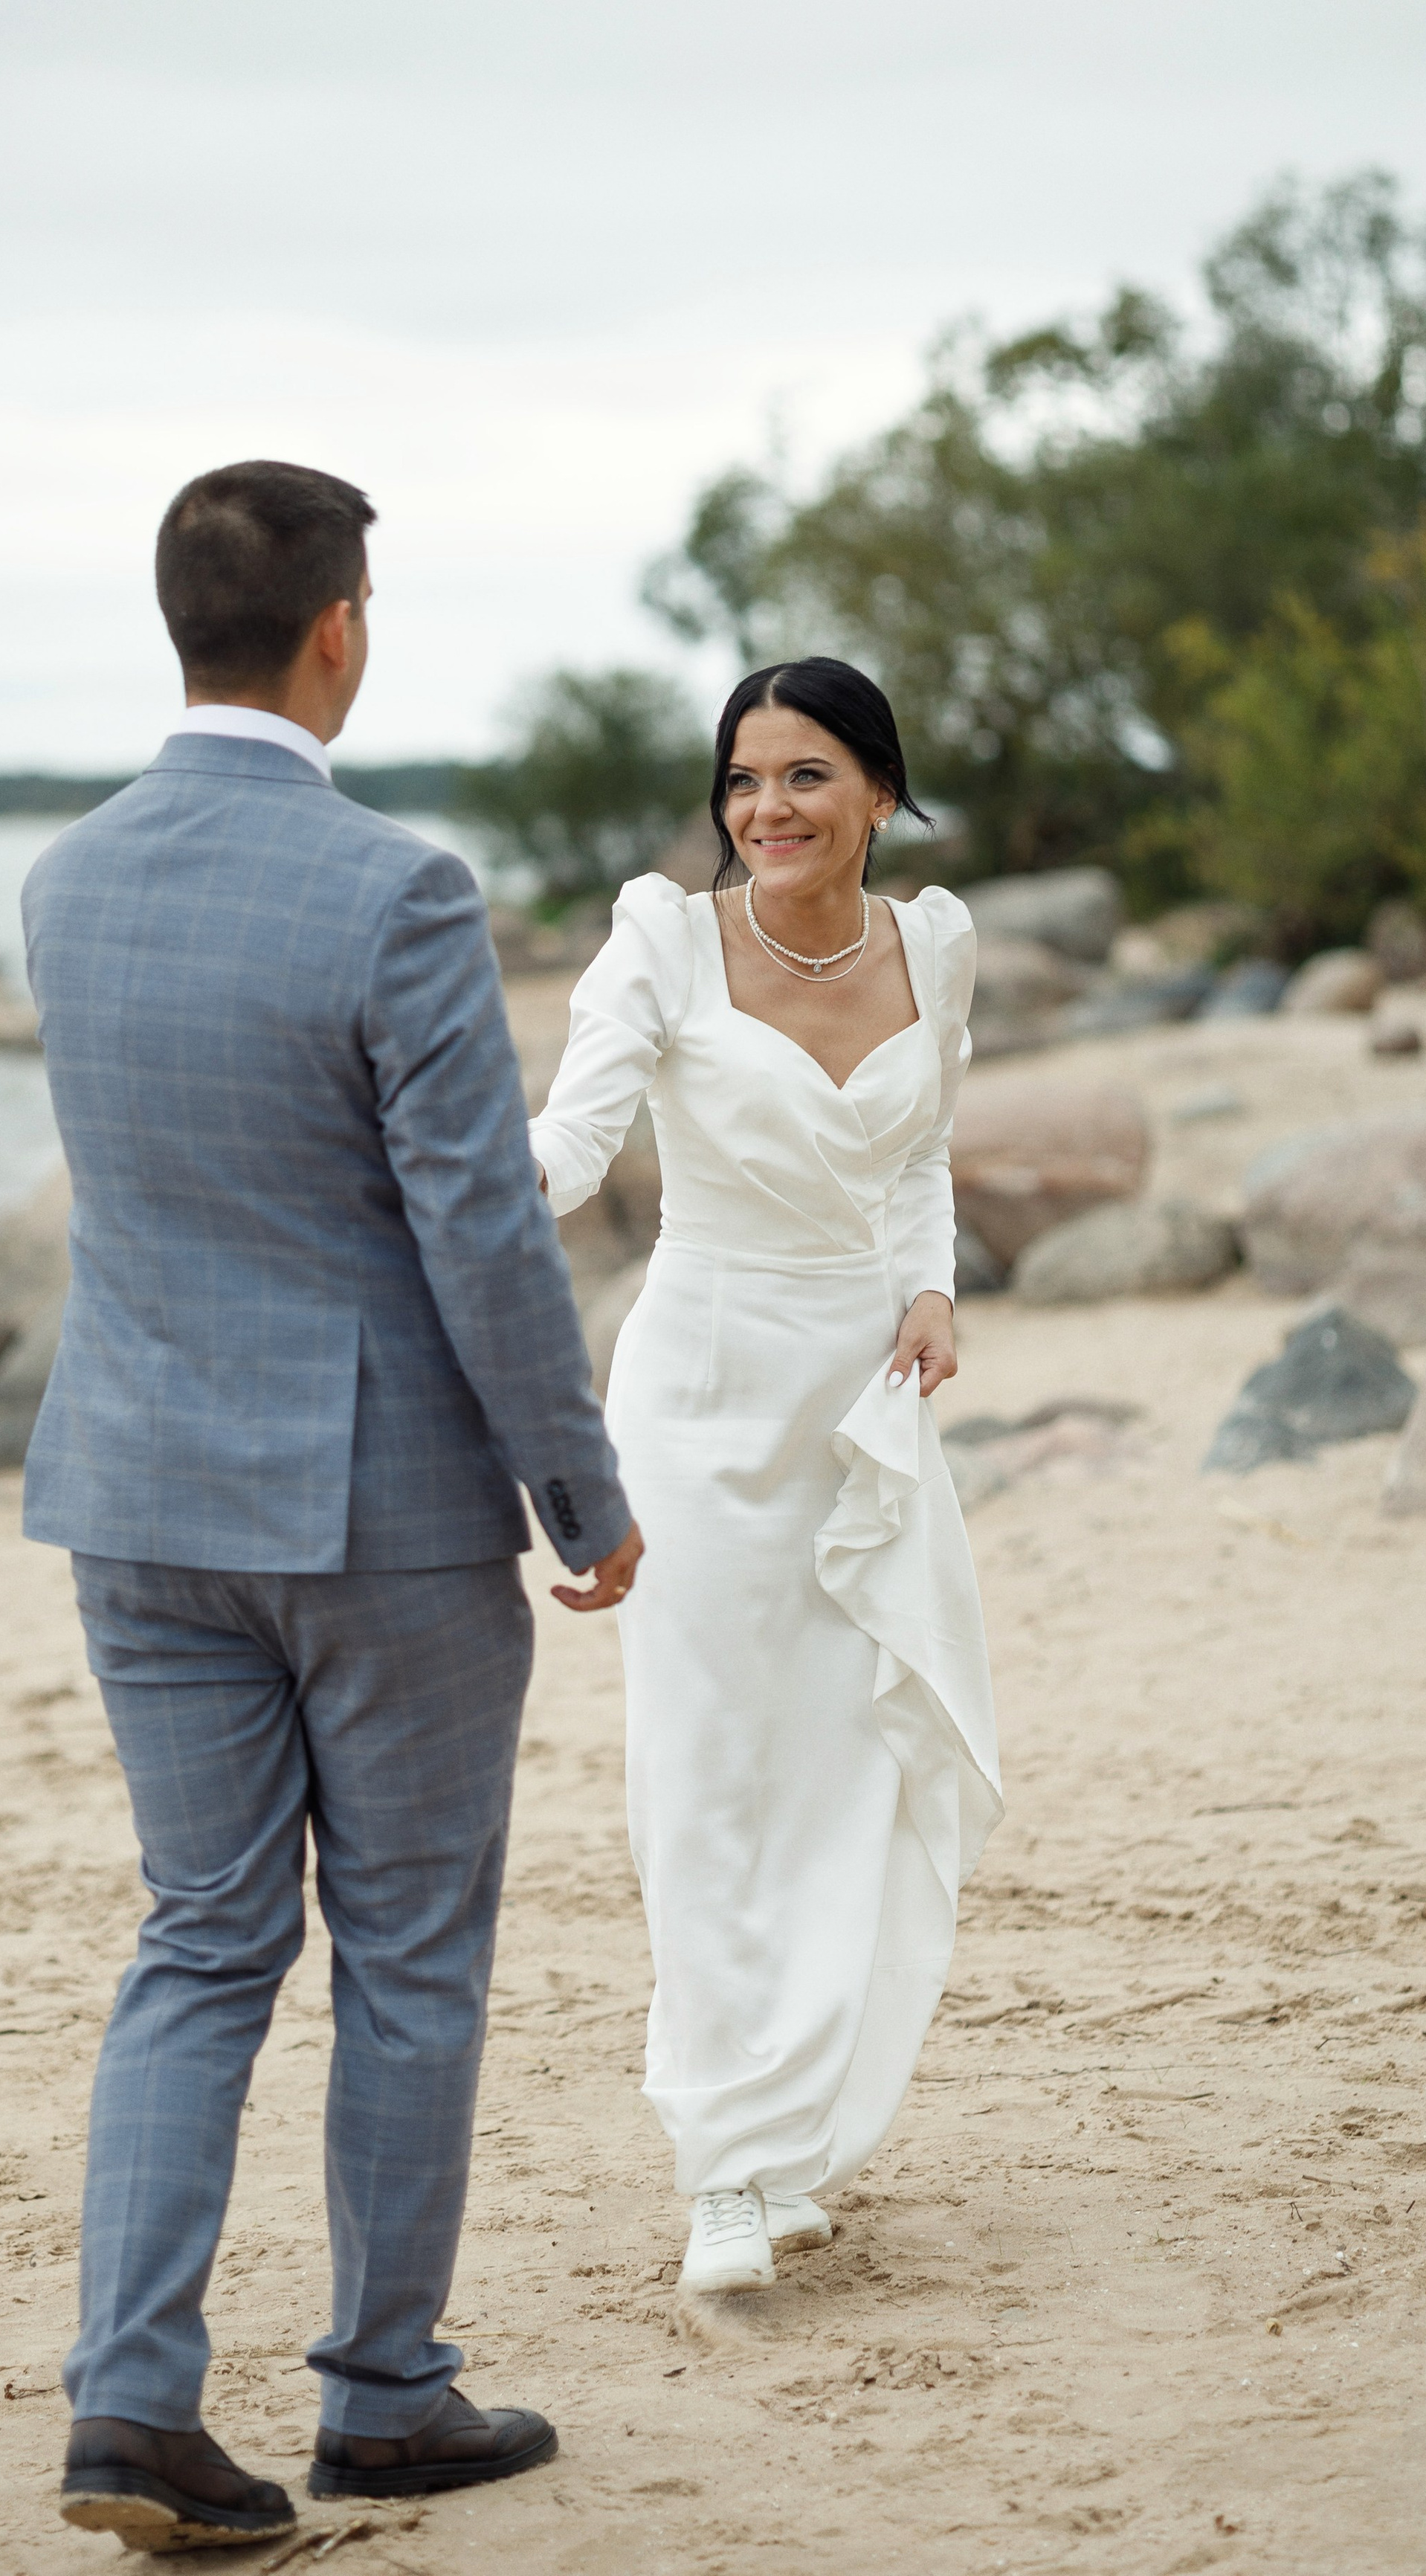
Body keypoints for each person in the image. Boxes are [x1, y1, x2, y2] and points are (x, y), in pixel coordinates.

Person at [23, 460, 644, 2551]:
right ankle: (382, 2397)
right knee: (406, 1954)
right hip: (380, 1519)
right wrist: (576, 1487)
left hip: (136, 1498)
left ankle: (130, 2404)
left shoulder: (64, 883)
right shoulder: (398, 890)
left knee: (200, 1944)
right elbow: (480, 1226)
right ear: (338, 632)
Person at [528, 657, 1002, 2296]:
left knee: (844, 1761)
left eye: (803, 775)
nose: (765, 810)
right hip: (699, 1394)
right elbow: (567, 1148)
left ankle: (791, 2137)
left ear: (878, 791)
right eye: (741, 779)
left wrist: (930, 1286)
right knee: (709, 1767)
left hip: (859, 1402)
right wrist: (430, 1183)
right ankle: (722, 2167)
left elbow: (921, 1148)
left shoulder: (932, 946)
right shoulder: (662, 941)